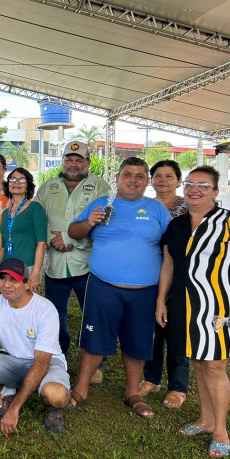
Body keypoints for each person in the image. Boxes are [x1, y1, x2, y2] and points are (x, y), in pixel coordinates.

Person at [157, 166, 230, 458]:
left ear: (215, 191)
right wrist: (161, 300)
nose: (194, 190)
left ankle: (221, 430)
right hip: (184, 305)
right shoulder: (176, 225)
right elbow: (168, 265)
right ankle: (206, 420)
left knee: (215, 366)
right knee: (198, 362)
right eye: (189, 184)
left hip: (218, 306)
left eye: (203, 185)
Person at [66, 157, 171, 418]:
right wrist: (89, 221)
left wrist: (165, 293)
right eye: (128, 174)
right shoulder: (102, 203)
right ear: (118, 177)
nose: (133, 180)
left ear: (146, 181)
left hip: (145, 290)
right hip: (103, 286)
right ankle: (80, 390)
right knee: (93, 341)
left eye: (139, 176)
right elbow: (73, 232)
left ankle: (133, 392)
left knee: (137, 344)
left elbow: (171, 251)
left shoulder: (157, 210)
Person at [0, 258, 71, 435]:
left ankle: (49, 404)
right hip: (10, 358)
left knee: (56, 396)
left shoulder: (45, 309)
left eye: (13, 280)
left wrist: (14, 409)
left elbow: (42, 364)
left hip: (46, 363)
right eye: (2, 278)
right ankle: (9, 391)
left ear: (27, 284)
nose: (6, 285)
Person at [35, 141, 110, 383]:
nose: (73, 164)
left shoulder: (100, 187)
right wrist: (51, 239)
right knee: (55, 316)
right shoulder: (48, 187)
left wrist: (69, 239)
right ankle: (60, 357)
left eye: (79, 160)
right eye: (69, 159)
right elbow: (38, 219)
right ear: (63, 161)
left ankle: (97, 363)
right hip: (55, 265)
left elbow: (103, 222)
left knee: (94, 315)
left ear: (88, 163)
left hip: (87, 264)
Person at [140, 160, 189, 409]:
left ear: (179, 181)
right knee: (154, 330)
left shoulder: (189, 207)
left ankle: (178, 386)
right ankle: (151, 378)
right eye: (158, 175)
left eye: (169, 176)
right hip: (151, 272)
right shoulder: (145, 206)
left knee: (178, 331)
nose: (163, 180)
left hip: (182, 276)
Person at [0, 168, 47, 294]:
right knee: (8, 306)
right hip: (7, 268)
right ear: (8, 184)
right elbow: (4, 247)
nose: (17, 183)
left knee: (27, 307)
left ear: (28, 186)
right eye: (13, 179)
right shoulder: (6, 213)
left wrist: (36, 273)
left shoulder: (35, 209)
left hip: (28, 267)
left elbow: (42, 244)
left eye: (22, 180)